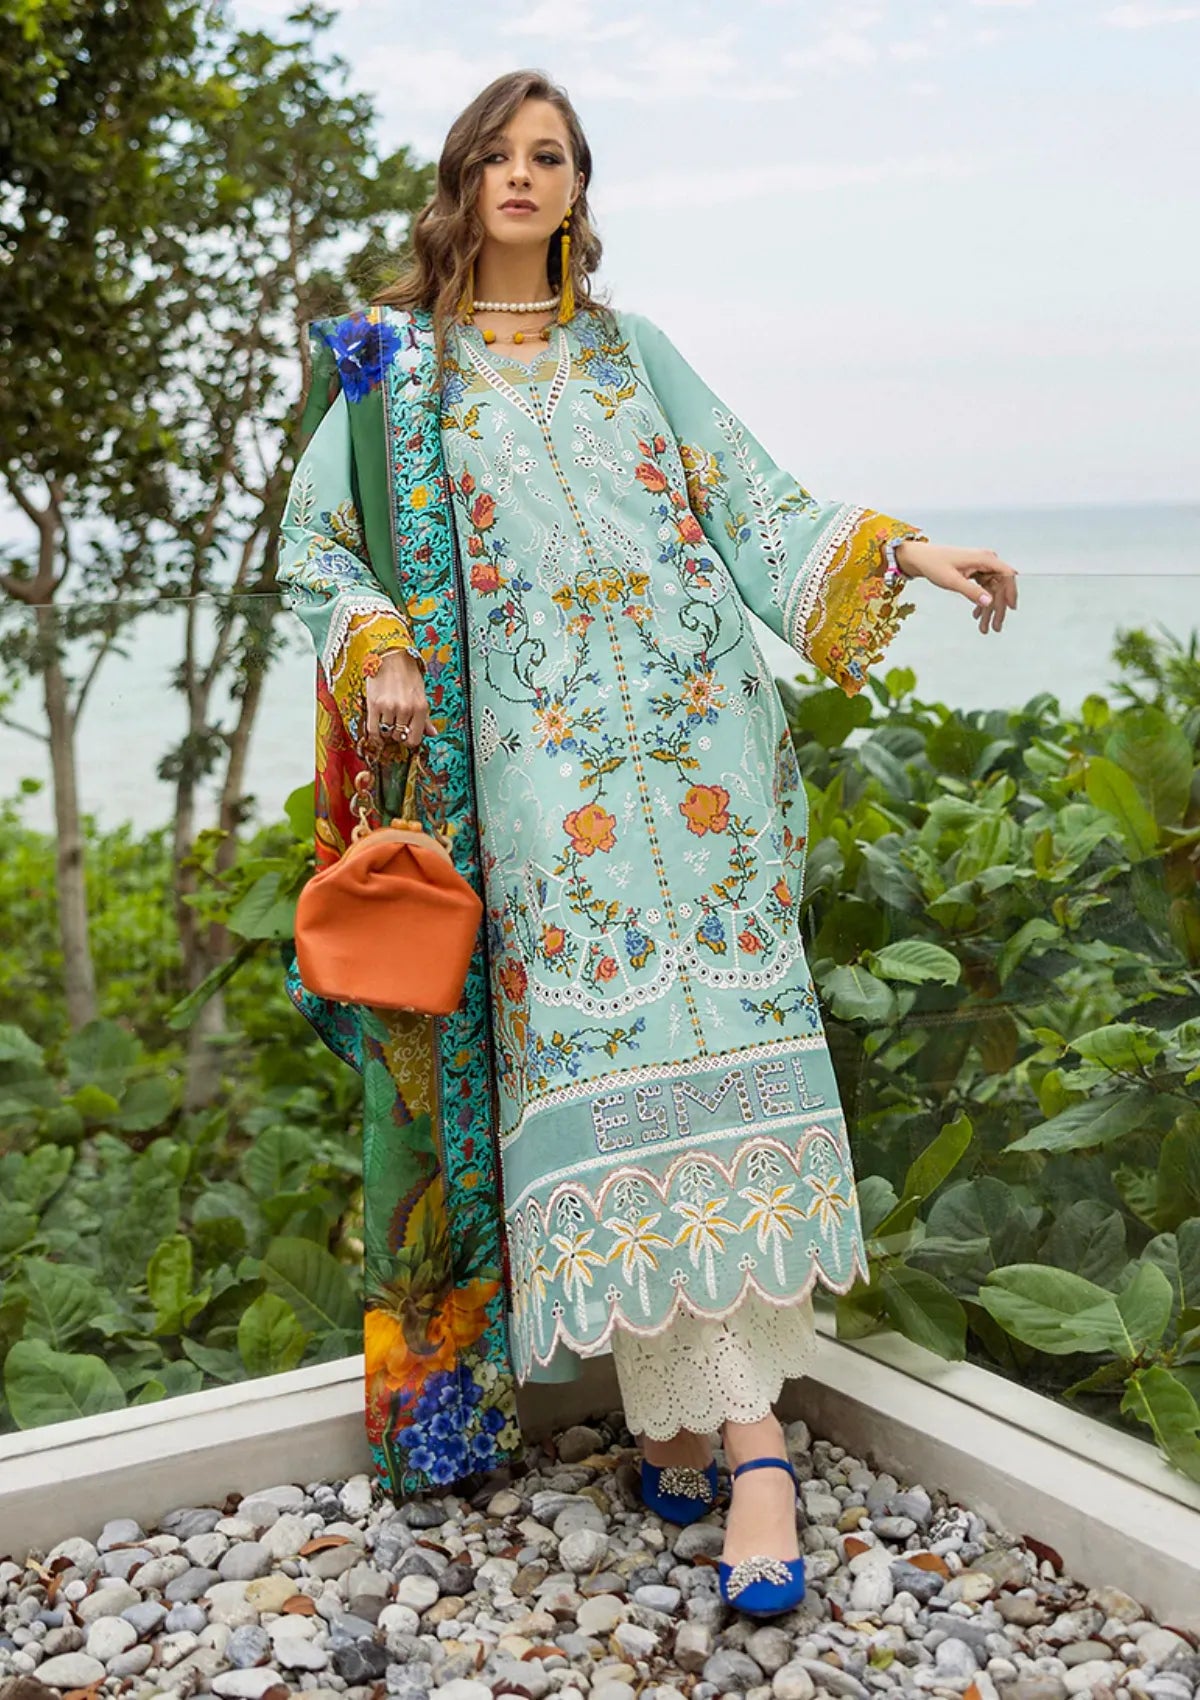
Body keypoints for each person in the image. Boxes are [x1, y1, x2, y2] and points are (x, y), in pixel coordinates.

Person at [276, 67, 1017, 1619]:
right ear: (463, 182)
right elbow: (316, 545)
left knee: (721, 1071)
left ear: (578, 188)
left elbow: (760, 509)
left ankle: (715, 1437)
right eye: (499, 154)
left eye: (550, 155)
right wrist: (377, 642)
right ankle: (737, 1443)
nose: (523, 177)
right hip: (542, 804)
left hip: (703, 780)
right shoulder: (396, 376)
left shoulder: (635, 352)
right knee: (623, 1098)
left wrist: (906, 552)